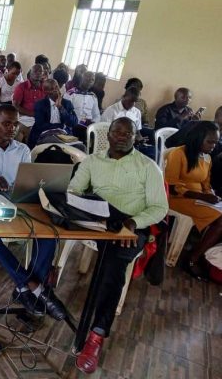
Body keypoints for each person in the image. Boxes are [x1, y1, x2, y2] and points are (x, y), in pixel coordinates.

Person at [69, 117, 168, 374]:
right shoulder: (92, 161)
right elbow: (74, 191)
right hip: (98, 220)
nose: (122, 136)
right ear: (109, 135)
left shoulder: (148, 167)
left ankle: (96, 335)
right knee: (49, 234)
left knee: (113, 269)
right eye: (117, 132)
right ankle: (40, 298)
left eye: (129, 133)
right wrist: (92, 215)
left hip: (132, 226)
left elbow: (159, 208)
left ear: (135, 137)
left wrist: (133, 224)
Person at [0, 104, 68, 322]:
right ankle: (33, 286)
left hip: (16, 202)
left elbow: (27, 183)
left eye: (15, 124)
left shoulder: (22, 149)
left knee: (48, 233)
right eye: (6, 123)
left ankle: (24, 288)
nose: (12, 128)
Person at [165, 121, 222, 281]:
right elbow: (172, 186)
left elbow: (206, 183)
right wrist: (202, 197)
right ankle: (191, 259)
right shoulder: (178, 154)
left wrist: (210, 193)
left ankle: (205, 256)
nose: (213, 146)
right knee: (221, 220)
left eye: (216, 142)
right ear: (198, 138)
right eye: (209, 141)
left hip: (197, 199)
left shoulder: (206, 158)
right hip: (177, 198)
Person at [28, 79, 78, 148]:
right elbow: (40, 125)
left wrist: (60, 107)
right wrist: (60, 126)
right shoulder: (40, 104)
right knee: (57, 146)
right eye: (51, 88)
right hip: (46, 133)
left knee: (81, 147)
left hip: (64, 134)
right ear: (46, 92)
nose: (56, 90)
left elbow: (74, 122)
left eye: (56, 87)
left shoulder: (67, 103)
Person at [64, 71, 100, 142]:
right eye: (87, 79)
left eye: (92, 80)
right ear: (81, 79)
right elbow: (65, 113)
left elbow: (97, 115)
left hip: (88, 128)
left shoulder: (93, 96)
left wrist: (93, 124)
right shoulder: (70, 94)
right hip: (73, 127)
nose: (89, 81)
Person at [12, 64, 45, 142]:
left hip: (40, 118)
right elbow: (15, 106)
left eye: (40, 71)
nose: (38, 73)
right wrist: (32, 113)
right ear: (30, 73)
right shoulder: (21, 87)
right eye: (35, 71)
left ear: (43, 74)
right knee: (23, 131)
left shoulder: (45, 87)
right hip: (24, 117)